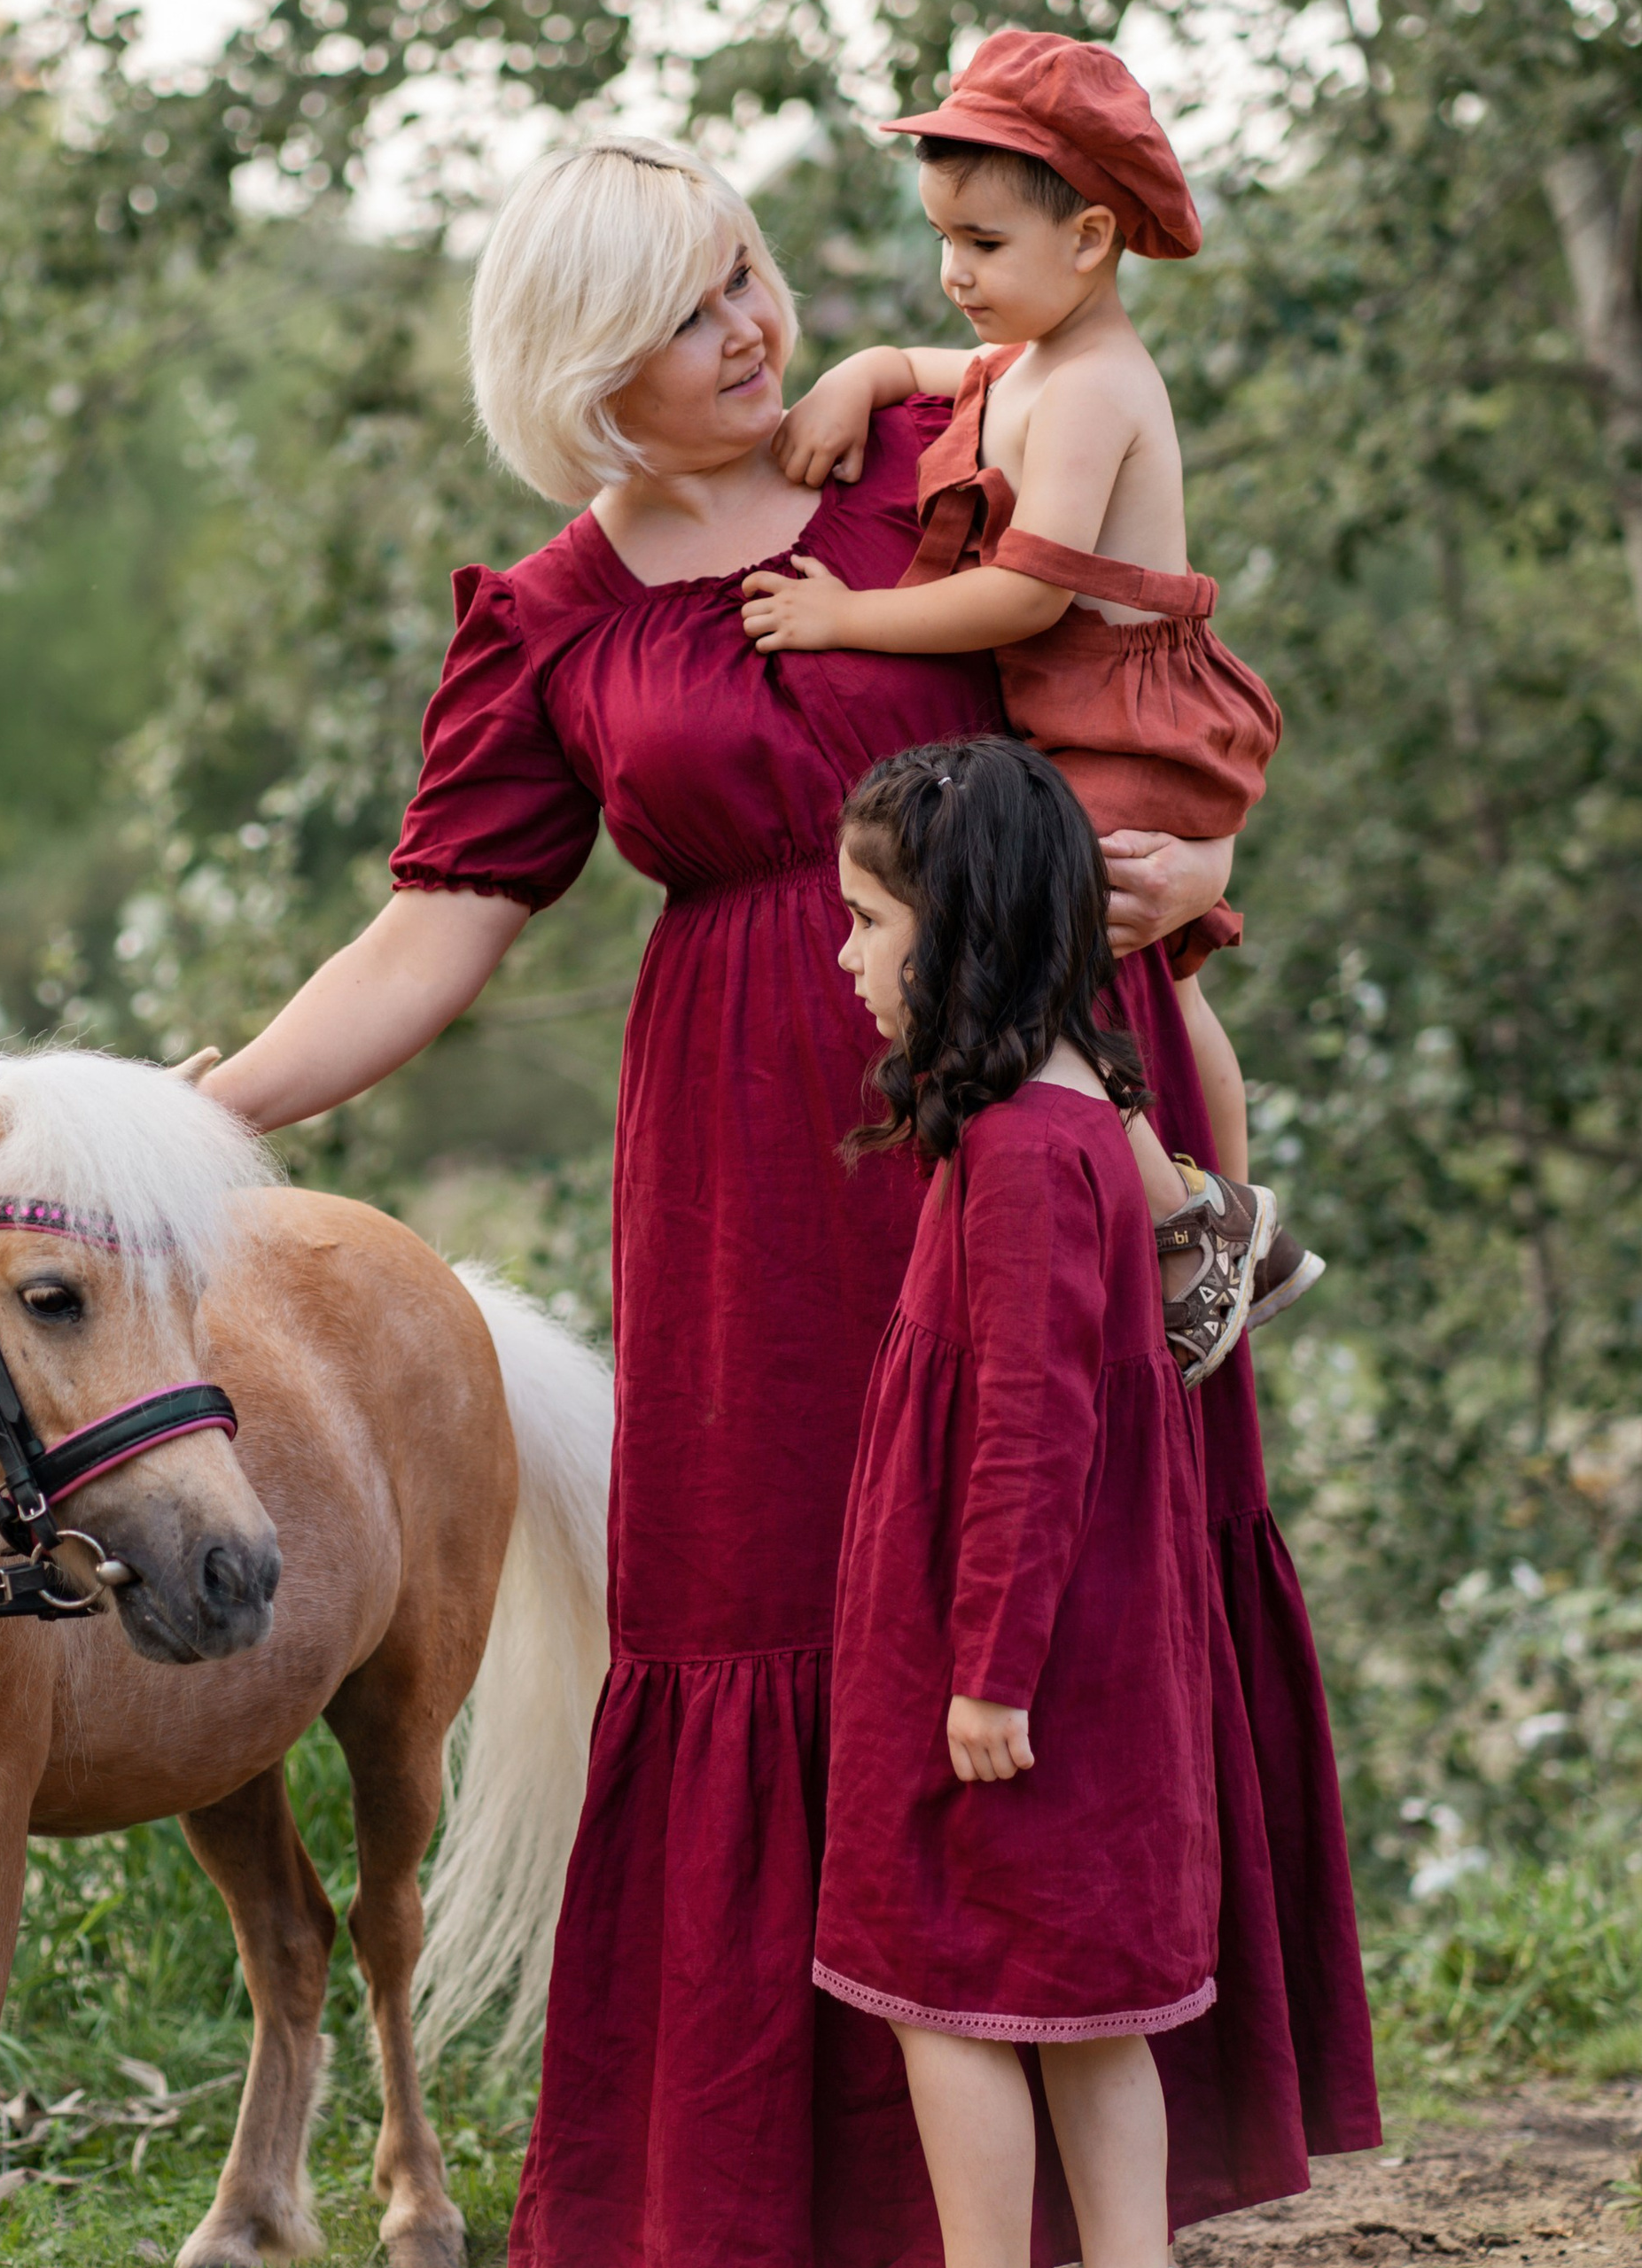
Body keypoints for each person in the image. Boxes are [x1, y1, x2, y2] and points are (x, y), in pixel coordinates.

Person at [197, 133, 1378, 2268]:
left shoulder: (930, 442)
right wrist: (211, 1103)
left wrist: (1210, 866)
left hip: (1039, 1104)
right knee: (769, 1604)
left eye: (743, 272)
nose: (751, 325)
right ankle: (790, 2198)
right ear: (578, 374)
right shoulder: (550, 619)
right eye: (685, 312)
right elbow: (434, 927)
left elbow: (1137, 673)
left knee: (1054, 1574)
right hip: (752, 1166)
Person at [740, 29, 1325, 1386]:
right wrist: (862, 374)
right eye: (943, 237)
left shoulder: (1097, 386)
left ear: (1095, 239)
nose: (955, 273)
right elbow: (925, 369)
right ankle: (1235, 1221)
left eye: (985, 244)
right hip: (1081, 728)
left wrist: (843, 618)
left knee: (1041, 952)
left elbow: (1017, 600)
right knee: (1155, 977)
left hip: (1132, 723)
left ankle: (1192, 1220)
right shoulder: (1026, 359)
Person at [817, 735, 1223, 2268]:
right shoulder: (1071, 1125)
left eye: (868, 919)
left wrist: (986, 1668)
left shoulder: (1026, 1153)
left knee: (948, 1992)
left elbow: (1034, 1432)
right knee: (1084, 2010)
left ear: (960, 927)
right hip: (1073, 1645)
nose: (848, 955)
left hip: (1009, 1662)